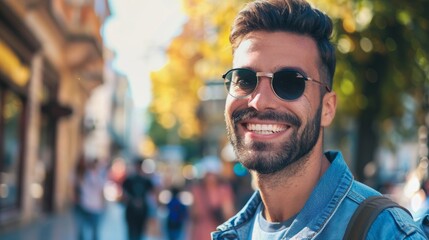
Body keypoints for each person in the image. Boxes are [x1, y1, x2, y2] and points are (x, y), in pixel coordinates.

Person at [211, 0, 429, 239]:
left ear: (327, 108)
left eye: (289, 82)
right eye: (244, 79)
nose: (259, 101)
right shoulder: (232, 233)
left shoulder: (385, 233)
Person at [121, 157, 155, 240]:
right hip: (132, 211)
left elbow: (152, 194)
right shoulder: (129, 180)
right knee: (132, 233)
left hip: (141, 212)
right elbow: (124, 195)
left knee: (138, 233)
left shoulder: (146, 180)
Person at [74, 158, 108, 240]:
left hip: (93, 206)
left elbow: (102, 191)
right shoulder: (86, 175)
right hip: (87, 206)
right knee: (89, 231)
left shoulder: (99, 176)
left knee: (91, 231)